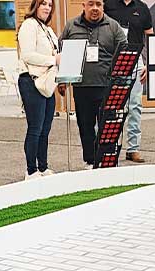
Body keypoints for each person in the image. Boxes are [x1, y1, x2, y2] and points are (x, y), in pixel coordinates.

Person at [59, 0, 128, 167]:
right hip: (82, 87)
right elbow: (62, 52)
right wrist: (62, 79)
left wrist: (121, 81)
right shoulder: (71, 26)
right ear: (84, 6)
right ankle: (90, 161)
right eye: (91, 4)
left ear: (103, 6)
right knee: (85, 127)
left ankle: (107, 161)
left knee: (108, 127)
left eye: (98, 4)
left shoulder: (113, 26)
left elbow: (124, 52)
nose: (95, 8)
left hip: (107, 87)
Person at [105, 0, 153, 163]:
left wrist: (148, 63)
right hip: (113, 60)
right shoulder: (108, 4)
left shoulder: (142, 8)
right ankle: (110, 147)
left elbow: (150, 37)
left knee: (135, 106)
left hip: (136, 60)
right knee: (113, 107)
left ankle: (133, 148)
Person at [17, 0, 59, 179]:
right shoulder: (29, 25)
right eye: (43, 3)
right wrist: (53, 60)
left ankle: (43, 167)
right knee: (35, 127)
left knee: (45, 128)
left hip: (47, 82)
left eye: (49, 5)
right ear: (36, 5)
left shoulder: (47, 29)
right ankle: (31, 170)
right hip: (31, 81)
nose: (47, 8)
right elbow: (27, 55)